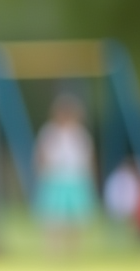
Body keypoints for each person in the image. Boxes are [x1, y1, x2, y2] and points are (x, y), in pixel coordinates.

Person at [33, 93, 96, 253]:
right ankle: (54, 249)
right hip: (54, 178)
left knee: (75, 218)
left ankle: (72, 251)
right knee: (54, 217)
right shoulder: (49, 132)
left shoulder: (80, 134)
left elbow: (87, 158)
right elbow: (41, 156)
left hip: (75, 179)